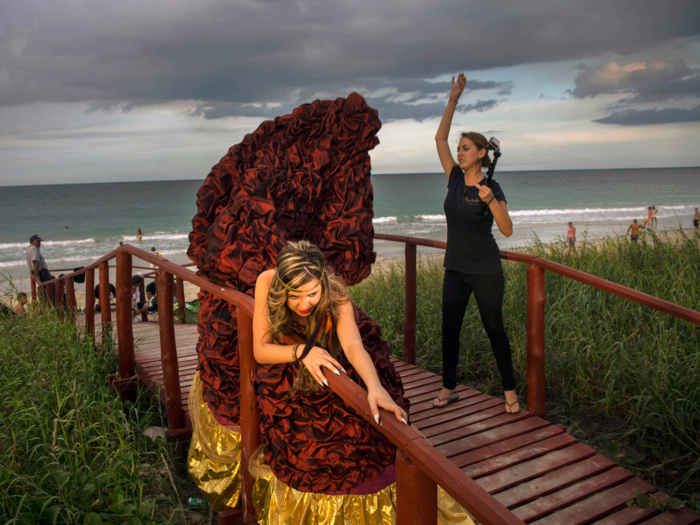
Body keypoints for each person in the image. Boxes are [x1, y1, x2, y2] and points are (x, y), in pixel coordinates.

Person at [250, 240, 469, 523]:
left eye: (312, 294)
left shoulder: (336, 293)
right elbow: (260, 349)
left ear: (322, 283)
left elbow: (353, 346)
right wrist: (301, 352)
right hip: (290, 366)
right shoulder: (266, 281)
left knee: (363, 435)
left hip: (331, 362)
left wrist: (375, 387)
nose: (304, 304)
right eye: (294, 296)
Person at [433, 72, 519, 414]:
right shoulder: (454, 178)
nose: (459, 152)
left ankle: (509, 392)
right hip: (455, 269)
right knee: (449, 329)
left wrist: (491, 202)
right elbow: (439, 140)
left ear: (483, 153)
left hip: (485, 270)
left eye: (466, 148)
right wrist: (453, 99)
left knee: (494, 329)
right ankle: (448, 387)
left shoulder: (492, 188)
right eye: (459, 148)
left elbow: (508, 230)